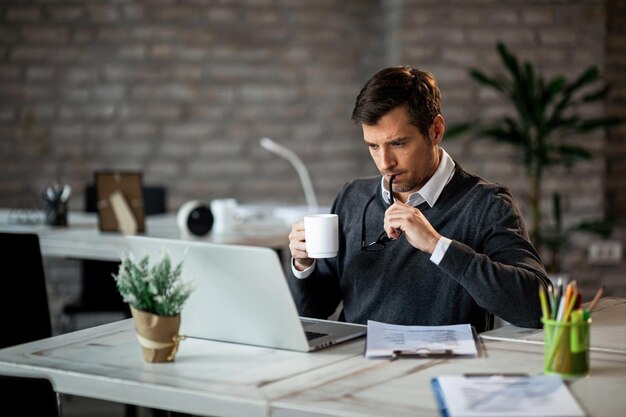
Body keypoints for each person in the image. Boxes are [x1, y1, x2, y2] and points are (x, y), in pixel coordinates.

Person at [287, 66, 550, 332]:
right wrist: (303, 266)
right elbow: (312, 315)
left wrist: (438, 246)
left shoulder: (487, 204)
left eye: (399, 143)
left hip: (438, 369)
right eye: (373, 146)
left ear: (435, 130)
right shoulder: (352, 197)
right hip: (357, 365)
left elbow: (539, 309)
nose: (385, 162)